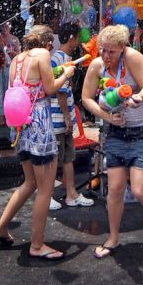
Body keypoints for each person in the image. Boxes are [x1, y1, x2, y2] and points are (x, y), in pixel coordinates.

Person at [81, 25, 143, 260]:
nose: (105, 56)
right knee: (115, 189)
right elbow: (86, 98)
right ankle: (112, 238)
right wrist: (108, 117)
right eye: (102, 50)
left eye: (111, 51)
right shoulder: (97, 65)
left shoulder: (133, 58)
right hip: (117, 134)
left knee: (140, 190)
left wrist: (138, 97)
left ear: (123, 48)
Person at [0, 25, 74, 259]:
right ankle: (37, 245)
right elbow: (48, 90)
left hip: (21, 125)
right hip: (39, 123)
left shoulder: (18, 59)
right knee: (45, 190)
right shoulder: (43, 55)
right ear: (48, 44)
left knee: (29, 183)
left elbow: (24, 88)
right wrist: (65, 75)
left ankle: (1, 228)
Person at [50, 23, 93, 210]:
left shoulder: (63, 57)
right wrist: (67, 116)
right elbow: (60, 90)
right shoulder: (59, 59)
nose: (78, 42)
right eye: (76, 37)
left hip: (62, 115)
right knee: (55, 158)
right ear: (70, 38)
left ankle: (71, 194)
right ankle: (47, 195)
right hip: (57, 116)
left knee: (68, 156)